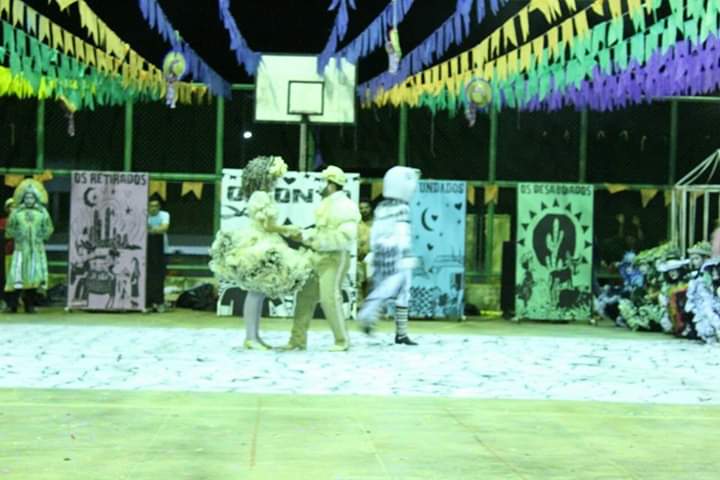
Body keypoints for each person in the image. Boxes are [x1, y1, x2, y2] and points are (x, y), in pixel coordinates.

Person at [209, 156, 313, 350]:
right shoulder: (261, 196)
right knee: (256, 292)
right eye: (274, 177)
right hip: (260, 242)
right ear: (265, 176)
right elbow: (268, 226)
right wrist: (288, 229)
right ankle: (251, 337)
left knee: (258, 292)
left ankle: (253, 336)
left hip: (264, 240)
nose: (276, 180)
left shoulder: (263, 195)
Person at [282, 166, 361, 352]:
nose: (319, 185)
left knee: (329, 299)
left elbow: (344, 238)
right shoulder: (327, 204)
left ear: (331, 185)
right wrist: (303, 235)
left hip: (335, 258)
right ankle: (297, 340)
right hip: (317, 255)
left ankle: (342, 341)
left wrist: (311, 240)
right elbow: (320, 231)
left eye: (322, 181)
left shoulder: (346, 206)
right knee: (304, 297)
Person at [358, 166, 422, 345]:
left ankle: (392, 328)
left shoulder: (381, 207)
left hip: (381, 252)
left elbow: (376, 231)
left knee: (384, 287)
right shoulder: (402, 208)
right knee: (400, 290)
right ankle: (371, 315)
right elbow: (403, 232)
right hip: (397, 254)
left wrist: (373, 250)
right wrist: (406, 254)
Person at [4, 179, 53, 313]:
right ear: (22, 198)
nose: (29, 199)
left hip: (36, 250)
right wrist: (17, 235)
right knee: (17, 276)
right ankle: (12, 305)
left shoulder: (42, 213)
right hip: (21, 249)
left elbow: (49, 228)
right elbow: (9, 229)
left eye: (31, 197)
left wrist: (41, 237)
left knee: (33, 277)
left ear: (36, 198)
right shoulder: (16, 213)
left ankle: (29, 305)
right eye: (26, 197)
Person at [147, 196, 170, 312]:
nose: (153, 208)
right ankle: (148, 302)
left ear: (159, 207)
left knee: (159, 277)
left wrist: (150, 229)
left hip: (162, 250)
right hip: (147, 250)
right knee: (147, 276)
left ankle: (159, 301)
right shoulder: (144, 215)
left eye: (156, 206)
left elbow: (164, 228)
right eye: (151, 206)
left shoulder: (164, 215)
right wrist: (156, 229)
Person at [357, 200, 372, 301]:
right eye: (361, 208)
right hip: (359, 258)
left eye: (366, 207)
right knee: (359, 281)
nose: (364, 210)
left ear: (370, 209)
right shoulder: (356, 225)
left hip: (374, 257)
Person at [0, 198, 14, 310]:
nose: (13, 208)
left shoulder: (22, 220)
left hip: (18, 253)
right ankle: (5, 300)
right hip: (5, 254)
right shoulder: (2, 222)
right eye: (11, 206)